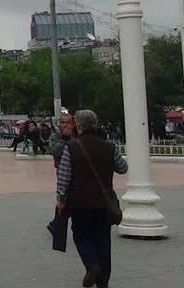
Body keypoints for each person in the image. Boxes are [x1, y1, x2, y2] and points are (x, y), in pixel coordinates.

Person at [56, 109, 128, 288]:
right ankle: (103, 281)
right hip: (104, 204)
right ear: (95, 124)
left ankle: (92, 265)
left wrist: (61, 198)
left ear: (78, 126)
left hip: (79, 203)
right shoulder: (108, 146)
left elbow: (64, 176)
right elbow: (123, 168)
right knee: (103, 239)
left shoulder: (72, 147)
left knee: (81, 235)